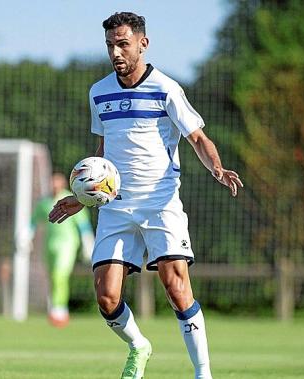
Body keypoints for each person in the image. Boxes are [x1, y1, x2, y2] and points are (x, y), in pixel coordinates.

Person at [48, 12, 243, 379]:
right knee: (106, 298)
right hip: (116, 208)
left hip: (160, 203)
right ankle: (138, 345)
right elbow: (102, 155)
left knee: (176, 286)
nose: (116, 53)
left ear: (142, 43)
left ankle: (204, 374)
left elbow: (197, 137)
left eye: (123, 44)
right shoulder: (99, 92)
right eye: (110, 45)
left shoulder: (167, 89)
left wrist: (216, 167)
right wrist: (83, 198)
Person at [31, 172, 95, 328]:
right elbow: (32, 222)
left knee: (60, 275)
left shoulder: (71, 200)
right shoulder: (44, 202)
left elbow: (83, 224)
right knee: (53, 277)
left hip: (67, 244)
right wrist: (26, 236)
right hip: (49, 245)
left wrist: (88, 243)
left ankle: (60, 309)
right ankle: (54, 307)